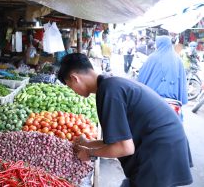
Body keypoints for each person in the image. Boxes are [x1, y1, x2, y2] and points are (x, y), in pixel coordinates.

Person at [57, 53, 193, 187]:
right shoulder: (110, 84)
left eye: (70, 86)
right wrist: (89, 143)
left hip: (161, 150)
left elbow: (124, 148)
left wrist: (89, 153)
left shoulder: (108, 90)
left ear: (75, 78)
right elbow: (118, 140)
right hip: (166, 143)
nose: (73, 91)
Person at [138, 36, 188, 120]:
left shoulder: (153, 57)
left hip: (153, 98)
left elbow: (142, 75)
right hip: (173, 101)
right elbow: (182, 81)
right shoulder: (178, 59)